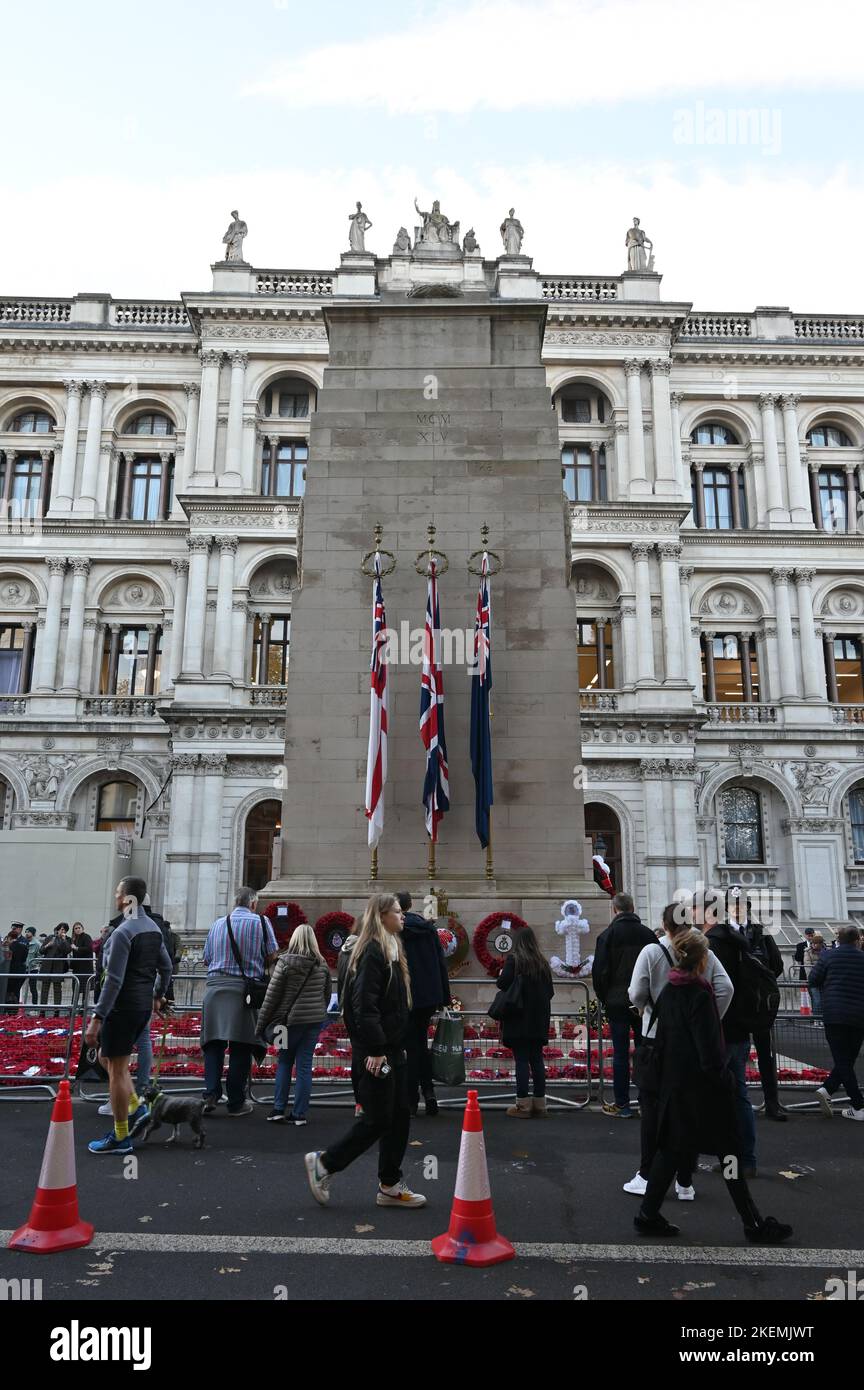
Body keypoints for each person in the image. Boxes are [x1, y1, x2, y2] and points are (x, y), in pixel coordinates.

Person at [633, 929, 792, 1245]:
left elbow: (662, 1041)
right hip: (703, 1091)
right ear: (703, 959)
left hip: (674, 1087)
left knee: (670, 1149)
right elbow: (710, 1055)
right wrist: (727, 1081)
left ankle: (648, 1213)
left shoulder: (668, 993)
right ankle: (752, 1222)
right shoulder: (700, 996)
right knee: (729, 1154)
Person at [304, 894, 425, 1209]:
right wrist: (376, 1049)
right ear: (382, 915)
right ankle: (326, 1164)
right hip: (377, 1053)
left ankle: (390, 1183)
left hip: (392, 1049)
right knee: (379, 1117)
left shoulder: (391, 949)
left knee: (399, 1115)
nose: (403, 916)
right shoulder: (372, 951)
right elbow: (364, 1005)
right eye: (398, 912)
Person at [626, 902, 733, 1199]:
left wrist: (645, 1009)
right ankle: (685, 1180)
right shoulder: (704, 953)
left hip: (655, 1040)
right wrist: (708, 1020)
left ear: (664, 922)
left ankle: (647, 1175)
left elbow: (636, 992)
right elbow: (726, 989)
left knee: (652, 1110)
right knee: (687, 1111)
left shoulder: (651, 951)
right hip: (690, 1045)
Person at [86, 878, 173, 1155]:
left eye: (117, 893)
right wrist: (158, 995)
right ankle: (135, 1107)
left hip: (121, 1008)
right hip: (141, 1007)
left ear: (127, 899)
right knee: (107, 1059)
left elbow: (113, 979)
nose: (115, 896)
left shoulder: (124, 932)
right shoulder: (152, 928)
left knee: (117, 1070)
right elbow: (167, 966)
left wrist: (97, 1018)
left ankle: (121, 1135)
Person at [695, 890, 759, 1178]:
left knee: (707, 1094)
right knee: (739, 1094)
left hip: (720, 1030)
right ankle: (745, 1160)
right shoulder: (739, 941)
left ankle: (704, 1156)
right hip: (741, 1028)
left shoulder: (710, 945)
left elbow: (714, 989)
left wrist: (711, 1021)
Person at [200, 887, 278, 1116]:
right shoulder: (261, 923)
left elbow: (206, 959)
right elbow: (272, 955)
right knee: (241, 1047)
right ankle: (236, 1102)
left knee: (213, 1045)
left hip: (214, 990)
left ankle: (210, 1095)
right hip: (243, 993)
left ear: (235, 903)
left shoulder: (217, 924)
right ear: (253, 904)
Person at [256, 924, 331, 1126]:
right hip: (313, 1021)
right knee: (305, 1066)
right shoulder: (322, 965)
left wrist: (260, 1026)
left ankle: (279, 1108)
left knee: (284, 1062)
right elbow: (325, 995)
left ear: (294, 939)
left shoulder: (284, 963)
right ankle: (299, 1114)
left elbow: (271, 998)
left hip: (286, 1023)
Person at [592, 892, 656, 1116]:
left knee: (620, 1054)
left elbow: (599, 973)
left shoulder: (607, 936)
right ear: (633, 907)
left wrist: (606, 997)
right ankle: (646, 1101)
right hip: (644, 1003)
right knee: (644, 1050)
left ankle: (622, 1104)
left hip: (617, 1002)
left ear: (614, 909)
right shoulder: (648, 934)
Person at [398, 891, 450, 1117]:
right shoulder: (428, 929)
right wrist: (443, 997)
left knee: (411, 1048)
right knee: (418, 1045)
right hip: (427, 997)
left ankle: (411, 1100)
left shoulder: (396, 930)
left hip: (405, 998)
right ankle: (429, 1094)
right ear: (411, 905)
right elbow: (440, 963)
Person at [736, 894, 788, 1119]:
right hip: (734, 1005)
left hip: (758, 1004)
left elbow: (776, 964)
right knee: (735, 1054)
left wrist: (761, 985)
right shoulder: (722, 934)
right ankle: (734, 1103)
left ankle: (772, 1102)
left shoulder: (761, 933)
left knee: (765, 1055)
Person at [496, 927, 555, 1118]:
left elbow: (502, 983)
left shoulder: (515, 960)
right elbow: (550, 992)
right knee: (536, 1060)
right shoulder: (542, 962)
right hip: (538, 1019)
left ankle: (523, 1105)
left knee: (521, 1060)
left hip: (519, 1018)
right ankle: (540, 1104)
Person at [810, 925, 864, 1121]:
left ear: (838, 940)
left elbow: (813, 979)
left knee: (843, 1060)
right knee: (847, 1058)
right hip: (858, 1016)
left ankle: (837, 1094)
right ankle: (855, 1103)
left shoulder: (828, 956)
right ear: (857, 939)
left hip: (834, 1014)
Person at [39, 923, 72, 1017]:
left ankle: (56, 1011)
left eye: (65, 930)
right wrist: (47, 945)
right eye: (61, 929)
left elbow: (67, 950)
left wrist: (64, 940)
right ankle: (42, 1011)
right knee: (44, 989)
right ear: (57, 930)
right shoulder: (50, 937)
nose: (63, 931)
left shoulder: (67, 939)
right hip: (47, 966)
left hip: (58, 967)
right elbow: (41, 951)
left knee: (57, 989)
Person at [804, 933, 828, 1019]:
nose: (813, 945)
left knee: (823, 1000)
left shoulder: (826, 951)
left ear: (821, 944)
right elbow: (807, 967)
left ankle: (822, 1017)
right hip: (813, 979)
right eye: (813, 943)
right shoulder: (807, 952)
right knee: (816, 999)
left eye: (816, 943)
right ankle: (817, 1018)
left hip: (824, 980)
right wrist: (813, 978)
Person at [70, 922, 95, 1001]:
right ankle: (73, 1009)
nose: (77, 929)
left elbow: (89, 948)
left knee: (85, 990)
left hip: (85, 968)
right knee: (75, 990)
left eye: (79, 928)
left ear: (82, 928)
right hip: (77, 968)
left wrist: (76, 948)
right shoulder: (74, 939)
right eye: (75, 928)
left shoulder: (86, 937)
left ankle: (83, 1009)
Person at [4, 923, 29, 1005]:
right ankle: (14, 1010)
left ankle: (7, 1008)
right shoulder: (24, 946)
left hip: (9, 971)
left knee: (8, 991)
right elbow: (24, 958)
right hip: (20, 971)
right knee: (16, 991)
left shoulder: (8, 947)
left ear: (10, 938)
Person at [23, 927, 41, 1008]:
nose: (27, 933)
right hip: (23, 968)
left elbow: (40, 957)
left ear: (33, 933)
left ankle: (34, 1006)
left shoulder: (37, 944)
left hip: (33, 969)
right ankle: (17, 1005)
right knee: (18, 986)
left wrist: (32, 963)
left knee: (33, 988)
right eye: (26, 932)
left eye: (29, 932)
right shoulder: (23, 942)